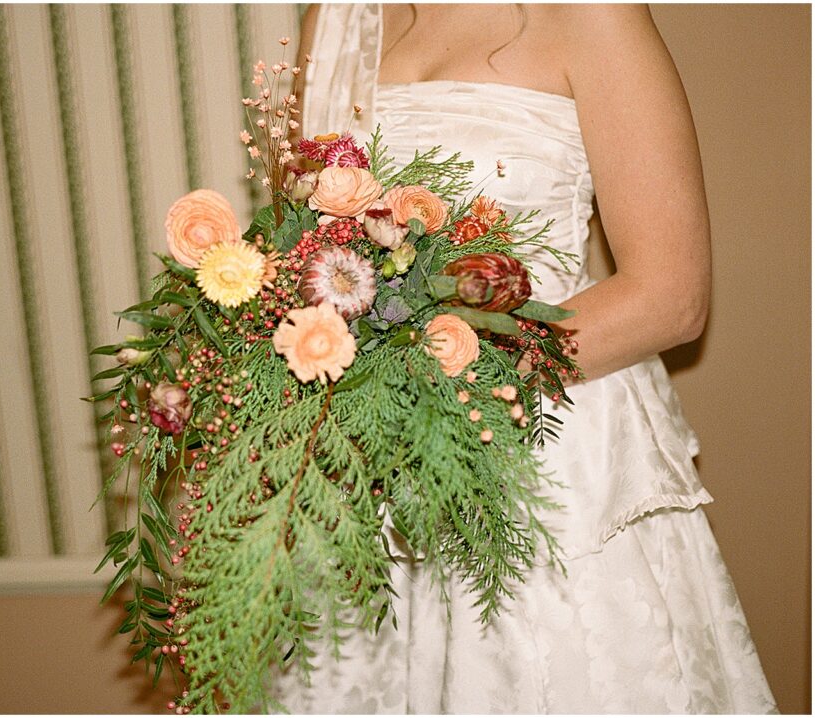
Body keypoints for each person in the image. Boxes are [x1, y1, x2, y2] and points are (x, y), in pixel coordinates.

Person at [271, 4, 778, 713]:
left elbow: (671, 294)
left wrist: (438, 374)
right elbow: (312, 247)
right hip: (360, 465)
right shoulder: (340, 14)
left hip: (543, 455)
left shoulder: (593, 13)